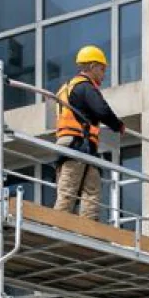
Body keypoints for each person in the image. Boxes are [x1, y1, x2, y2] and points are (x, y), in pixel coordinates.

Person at [53, 45, 126, 219]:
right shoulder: (84, 87)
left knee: (92, 189)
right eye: (102, 69)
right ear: (92, 67)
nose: (103, 74)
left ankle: (88, 230)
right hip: (77, 144)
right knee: (69, 190)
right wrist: (118, 125)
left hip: (82, 145)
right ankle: (58, 225)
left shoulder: (67, 88)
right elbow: (102, 110)